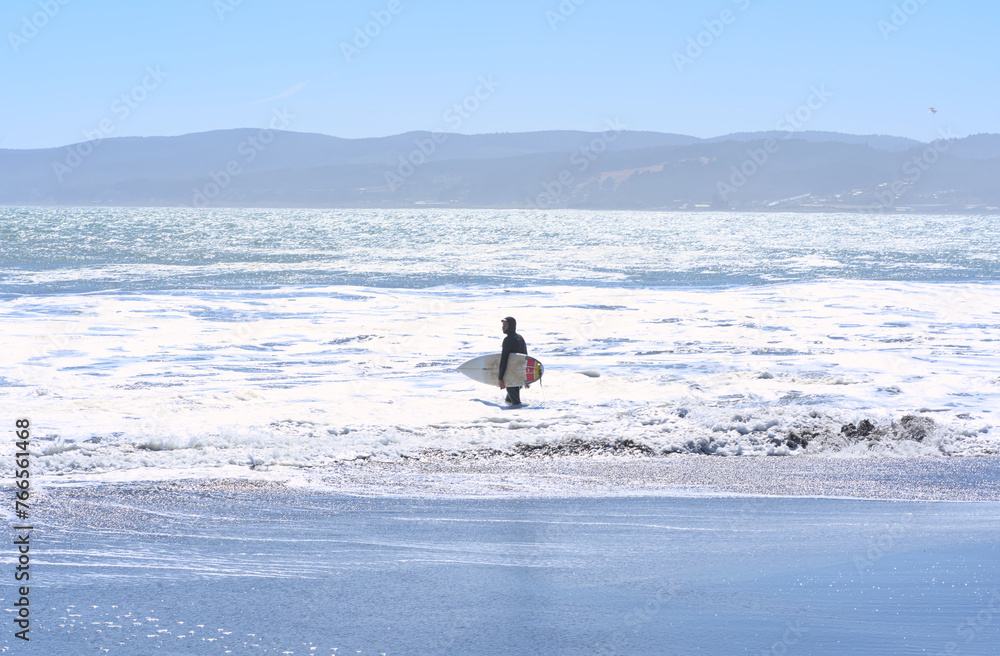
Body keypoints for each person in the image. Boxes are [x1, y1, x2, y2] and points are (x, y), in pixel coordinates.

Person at [498, 316, 528, 405]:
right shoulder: (520, 338)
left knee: (516, 404)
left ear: (511, 326)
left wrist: (500, 379)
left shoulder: (508, 340)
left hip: (511, 376)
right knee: (508, 401)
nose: (503, 327)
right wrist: (526, 378)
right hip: (519, 375)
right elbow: (526, 358)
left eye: (505, 325)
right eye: (503, 325)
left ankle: (523, 413)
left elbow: (504, 360)